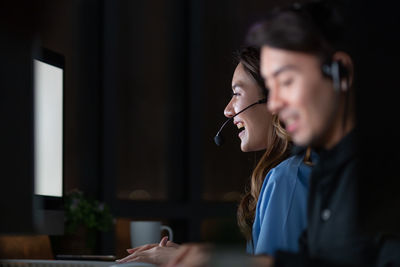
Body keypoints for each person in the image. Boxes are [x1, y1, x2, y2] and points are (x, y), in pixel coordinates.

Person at [116, 46, 315, 265]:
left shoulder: (287, 177)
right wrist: (186, 258)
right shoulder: (289, 174)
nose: (228, 111)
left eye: (237, 94)